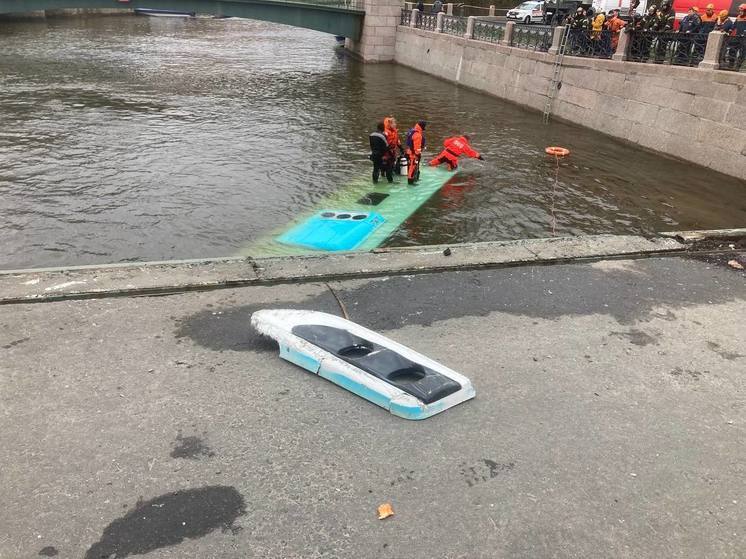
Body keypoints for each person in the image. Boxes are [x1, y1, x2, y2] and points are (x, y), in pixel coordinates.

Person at [405, 120, 427, 185]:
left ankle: (414, 178)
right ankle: (410, 182)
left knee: (411, 167)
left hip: (409, 152)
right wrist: (418, 155)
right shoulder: (418, 135)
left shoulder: (412, 130)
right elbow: (417, 148)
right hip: (413, 154)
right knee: (412, 168)